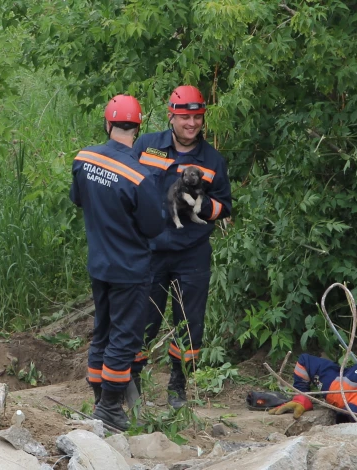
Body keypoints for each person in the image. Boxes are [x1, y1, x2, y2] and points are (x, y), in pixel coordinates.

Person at [131, 85, 232, 408]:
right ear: (171, 116)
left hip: (192, 253)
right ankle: (132, 381)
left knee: (189, 323)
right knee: (143, 319)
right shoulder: (148, 146)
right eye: (185, 118)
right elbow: (126, 184)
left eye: (198, 118)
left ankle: (178, 384)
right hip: (151, 250)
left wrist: (201, 206)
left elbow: (225, 207)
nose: (192, 124)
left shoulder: (213, 160)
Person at [69, 95, 164, 431]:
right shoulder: (139, 175)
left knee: (103, 332)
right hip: (130, 269)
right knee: (124, 338)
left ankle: (99, 401)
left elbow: (78, 199)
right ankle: (110, 407)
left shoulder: (84, 158)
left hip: (100, 264)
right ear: (137, 128)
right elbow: (155, 226)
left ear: (107, 124)